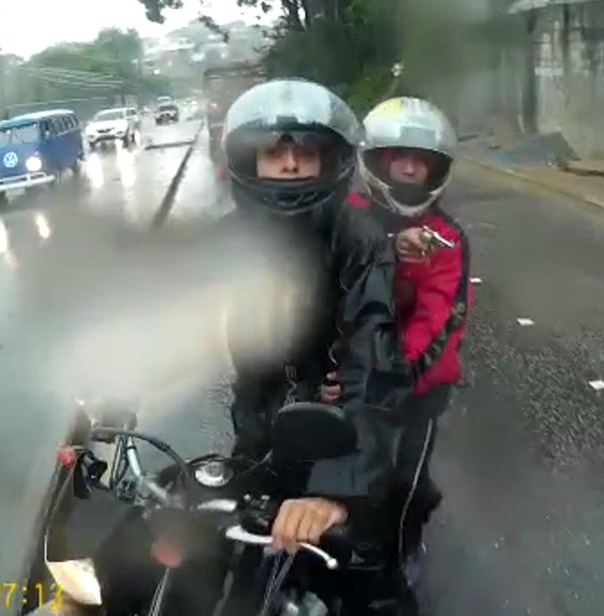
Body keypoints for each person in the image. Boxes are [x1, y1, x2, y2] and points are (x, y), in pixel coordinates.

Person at [219, 79, 418, 614]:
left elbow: (372, 357)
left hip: (345, 421)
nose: (288, 165)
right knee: (223, 564)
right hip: (259, 425)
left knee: (373, 577)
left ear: (329, 160)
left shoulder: (359, 238)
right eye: (273, 153)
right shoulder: (230, 240)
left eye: (303, 152)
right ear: (249, 161)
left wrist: (338, 491)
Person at [338, 97, 472, 577]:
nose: (411, 168)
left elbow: (439, 318)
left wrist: (392, 375)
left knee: (406, 480)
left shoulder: (446, 238)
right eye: (400, 155)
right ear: (378, 159)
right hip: (345, 369)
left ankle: (401, 552)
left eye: (423, 159)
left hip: (416, 384)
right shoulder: (346, 214)